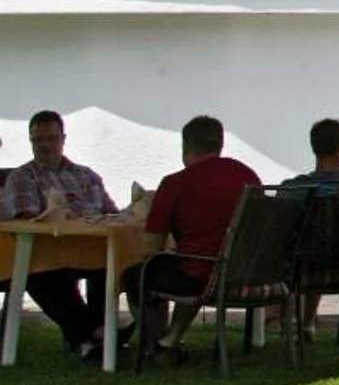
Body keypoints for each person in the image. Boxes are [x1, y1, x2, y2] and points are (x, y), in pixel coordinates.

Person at [123, 114, 260, 364]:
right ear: (219, 145)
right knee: (197, 263)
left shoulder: (176, 183)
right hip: (247, 272)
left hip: (202, 275)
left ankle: (156, 343)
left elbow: (152, 249)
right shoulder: (247, 176)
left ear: (185, 147)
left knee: (138, 275)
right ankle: (169, 341)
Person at [2, 110, 116, 360]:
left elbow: (112, 214)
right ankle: (95, 335)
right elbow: (26, 221)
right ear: (30, 142)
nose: (45, 146)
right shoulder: (22, 177)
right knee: (42, 274)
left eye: (51, 139)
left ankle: (93, 340)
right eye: (38, 140)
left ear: (63, 138)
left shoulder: (87, 175)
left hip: (91, 248)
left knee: (110, 267)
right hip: (47, 253)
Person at [279, 116, 339, 339]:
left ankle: (301, 324)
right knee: (322, 249)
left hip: (302, 269)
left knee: (307, 250)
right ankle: (306, 324)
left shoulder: (293, 189)